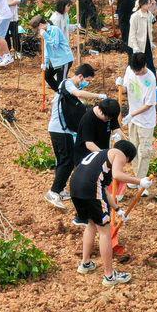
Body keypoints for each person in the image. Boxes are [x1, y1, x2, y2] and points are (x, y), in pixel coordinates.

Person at [69, 139, 146, 286]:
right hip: (91, 190)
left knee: (91, 224)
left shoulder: (101, 156)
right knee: (104, 231)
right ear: (128, 156)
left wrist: (118, 209)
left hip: (75, 188)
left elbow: (103, 189)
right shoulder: (119, 154)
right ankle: (109, 276)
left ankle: (85, 263)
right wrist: (140, 181)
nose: (125, 163)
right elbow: (117, 175)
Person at [45, 62, 100, 208]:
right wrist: (99, 96)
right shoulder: (68, 84)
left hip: (62, 130)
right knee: (67, 161)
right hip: (60, 130)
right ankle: (53, 192)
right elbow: (79, 93)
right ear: (80, 76)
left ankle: (61, 189)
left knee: (62, 161)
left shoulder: (67, 87)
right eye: (87, 81)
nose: (87, 84)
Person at [118, 53, 157, 180]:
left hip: (146, 121)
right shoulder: (130, 70)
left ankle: (141, 180)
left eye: (138, 71)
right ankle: (136, 178)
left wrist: (131, 114)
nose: (136, 73)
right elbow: (125, 89)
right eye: (134, 71)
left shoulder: (150, 79)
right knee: (133, 148)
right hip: (133, 119)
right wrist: (119, 85)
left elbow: (149, 104)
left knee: (144, 152)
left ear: (144, 65)